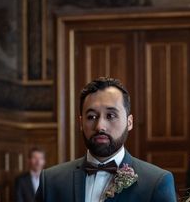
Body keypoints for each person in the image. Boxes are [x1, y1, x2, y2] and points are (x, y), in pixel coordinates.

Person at [35, 77, 177, 201]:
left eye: (110, 116)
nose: (100, 126)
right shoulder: (51, 181)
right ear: (80, 123)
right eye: (91, 117)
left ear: (129, 122)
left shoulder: (156, 182)